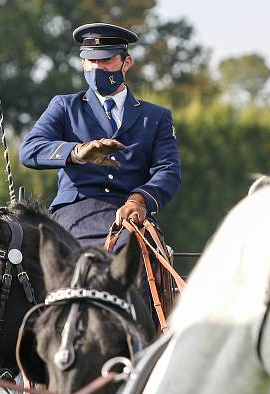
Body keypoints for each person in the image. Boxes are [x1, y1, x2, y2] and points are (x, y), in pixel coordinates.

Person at [19, 22, 181, 248]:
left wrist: (140, 200)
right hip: (73, 214)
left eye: (106, 60)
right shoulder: (65, 106)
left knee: (139, 255)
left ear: (126, 63)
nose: (97, 68)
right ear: (82, 62)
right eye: (91, 60)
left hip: (130, 214)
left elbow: (168, 170)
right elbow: (29, 149)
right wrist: (76, 153)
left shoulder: (156, 116)